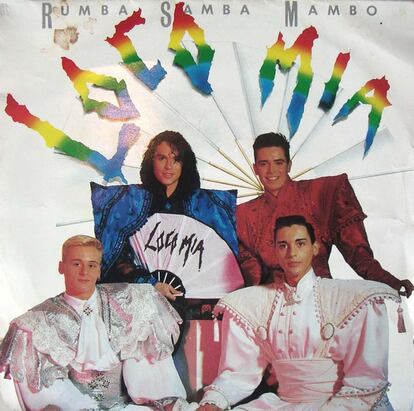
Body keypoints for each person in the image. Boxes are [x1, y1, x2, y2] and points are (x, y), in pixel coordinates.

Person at [198, 215, 403, 410]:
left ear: (315, 248)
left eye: (300, 243)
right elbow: (239, 373)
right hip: (284, 404)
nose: (292, 253)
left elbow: (366, 378)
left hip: (340, 403)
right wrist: (216, 400)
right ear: (275, 251)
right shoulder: (255, 304)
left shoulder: (350, 299)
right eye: (283, 245)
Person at [0, 235, 190, 410]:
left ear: (99, 270)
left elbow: (151, 377)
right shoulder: (33, 324)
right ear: (61, 267)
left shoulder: (133, 301)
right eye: (76, 264)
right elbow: (50, 396)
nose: (84, 272)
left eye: (92, 265)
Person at [237, 132, 413, 297]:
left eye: (278, 163)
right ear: (255, 168)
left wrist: (387, 280)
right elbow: (250, 275)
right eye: (263, 164)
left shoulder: (321, 193)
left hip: (321, 300)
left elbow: (357, 252)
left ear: (289, 165)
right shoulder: (242, 215)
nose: (271, 171)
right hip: (268, 306)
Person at [91, 130, 239, 301]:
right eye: (162, 158)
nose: (169, 166)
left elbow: (218, 263)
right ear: (151, 161)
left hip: (195, 300)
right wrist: (150, 283)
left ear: (185, 164)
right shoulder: (128, 201)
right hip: (137, 297)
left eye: (176, 159)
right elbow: (114, 261)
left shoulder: (208, 205)